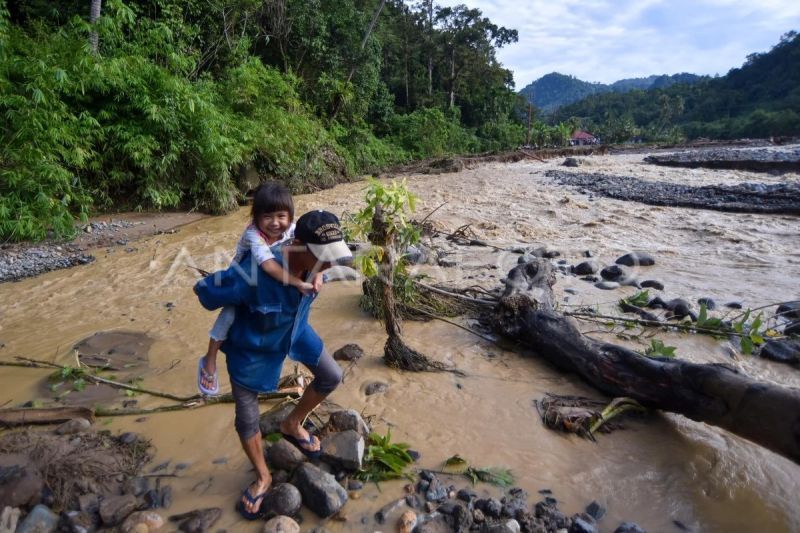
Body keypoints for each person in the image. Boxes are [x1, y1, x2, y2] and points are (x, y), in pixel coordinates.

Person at [194, 209, 352, 520]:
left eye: (334, 256)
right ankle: (263, 475)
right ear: (297, 245)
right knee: (247, 418)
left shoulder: (319, 265)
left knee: (331, 375)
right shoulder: (254, 273)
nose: (331, 264)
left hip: (295, 331)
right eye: (324, 258)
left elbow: (327, 267)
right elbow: (205, 291)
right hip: (252, 348)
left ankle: (291, 424)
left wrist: (319, 271)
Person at [198, 182, 323, 396]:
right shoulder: (253, 234)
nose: (275, 223)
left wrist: (318, 273)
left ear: (290, 217)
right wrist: (298, 283)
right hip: (243, 276)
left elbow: (316, 250)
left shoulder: (293, 229)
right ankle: (209, 359)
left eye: (281, 216)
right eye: (267, 217)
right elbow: (267, 265)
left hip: (268, 277)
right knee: (228, 315)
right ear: (256, 218)